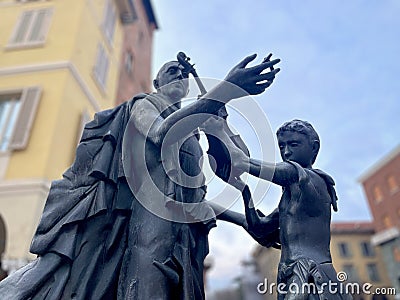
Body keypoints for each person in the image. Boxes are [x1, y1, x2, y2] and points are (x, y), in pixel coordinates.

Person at [0, 53, 280, 299]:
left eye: (183, 74)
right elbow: (160, 133)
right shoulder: (144, 105)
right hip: (150, 230)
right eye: (172, 71)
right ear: (157, 82)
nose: (180, 75)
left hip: (185, 237)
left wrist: (244, 220)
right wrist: (223, 91)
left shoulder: (192, 131)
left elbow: (209, 186)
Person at [229, 120, 352, 299]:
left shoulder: (308, 178)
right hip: (290, 273)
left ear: (314, 148)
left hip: (311, 273)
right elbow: (260, 227)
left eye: (294, 144)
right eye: (281, 146)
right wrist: (241, 193)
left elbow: (247, 163)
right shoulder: (294, 198)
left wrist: (223, 132)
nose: (286, 152)